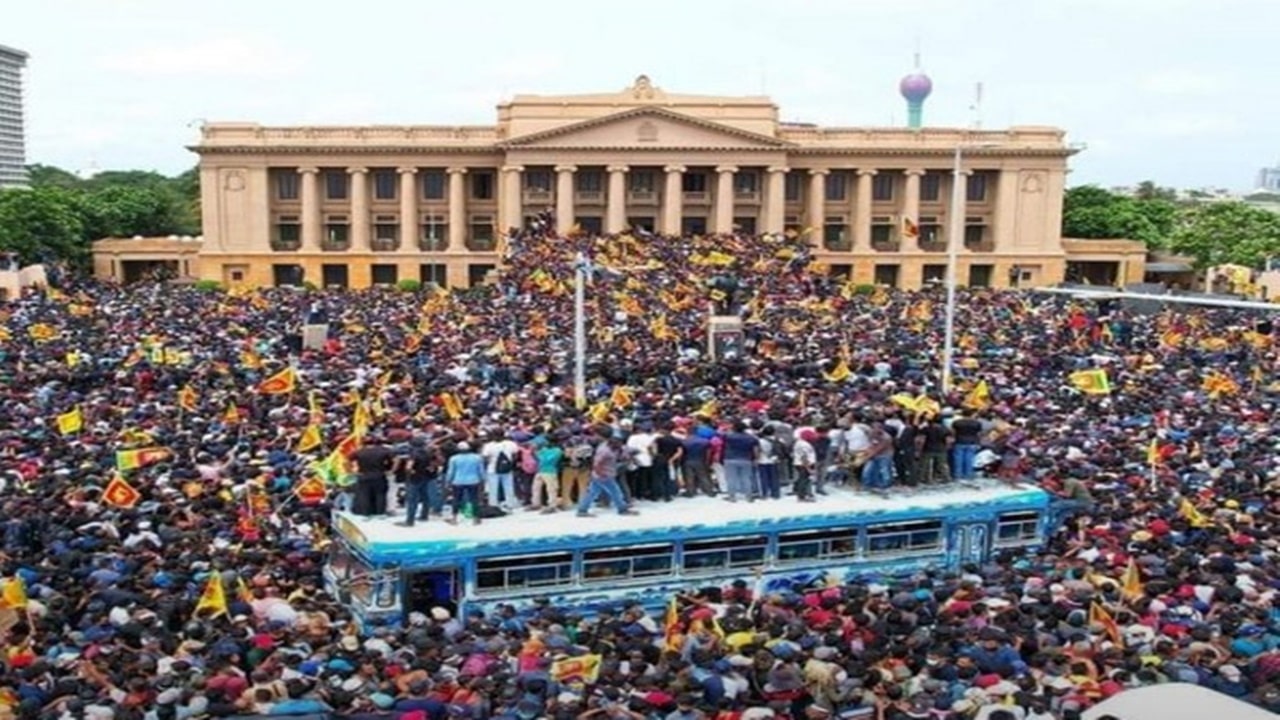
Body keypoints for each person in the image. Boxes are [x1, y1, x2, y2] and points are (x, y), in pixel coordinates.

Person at [577, 434, 638, 517]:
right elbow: (596, 464)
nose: (620, 445)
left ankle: (582, 510)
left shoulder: (614, 448)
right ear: (612, 444)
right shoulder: (605, 451)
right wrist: (600, 473)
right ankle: (622, 509)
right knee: (616, 492)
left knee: (592, 493)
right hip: (604, 475)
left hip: (604, 474)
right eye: (618, 444)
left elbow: (627, 452)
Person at [399, 436, 441, 527]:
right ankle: (424, 515)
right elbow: (435, 463)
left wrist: (411, 472)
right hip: (426, 477)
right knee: (425, 497)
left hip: (414, 479)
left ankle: (410, 520)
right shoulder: (428, 453)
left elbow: (409, 467)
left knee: (412, 499)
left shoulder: (413, 454)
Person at [350, 435, 394, 516]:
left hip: (364, 475)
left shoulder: (359, 451)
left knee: (365, 495)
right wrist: (392, 470)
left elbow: (347, 461)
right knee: (380, 494)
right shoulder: (383, 450)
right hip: (379, 475)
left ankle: (366, 513)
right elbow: (395, 458)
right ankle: (380, 513)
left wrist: (352, 471)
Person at [444, 441, 485, 525]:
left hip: (458, 481)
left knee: (456, 500)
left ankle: (454, 518)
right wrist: (483, 480)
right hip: (473, 480)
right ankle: (476, 518)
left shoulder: (454, 458)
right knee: (474, 499)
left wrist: (448, 481)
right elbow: (481, 470)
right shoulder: (477, 457)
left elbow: (451, 472)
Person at [482, 432, 521, 512]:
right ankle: (510, 503)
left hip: (492, 469)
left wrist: (489, 462)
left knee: (493, 488)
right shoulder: (510, 444)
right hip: (507, 468)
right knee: (508, 486)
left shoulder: (489, 446)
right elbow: (516, 454)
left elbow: (485, 457)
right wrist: (510, 462)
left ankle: (493, 504)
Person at [529, 438, 563, 513]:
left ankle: (538, 504)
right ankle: (550, 505)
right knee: (550, 489)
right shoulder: (557, 450)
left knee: (537, 488)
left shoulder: (543, 450)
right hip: (549, 471)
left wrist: (536, 451)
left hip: (542, 470)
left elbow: (538, 458)